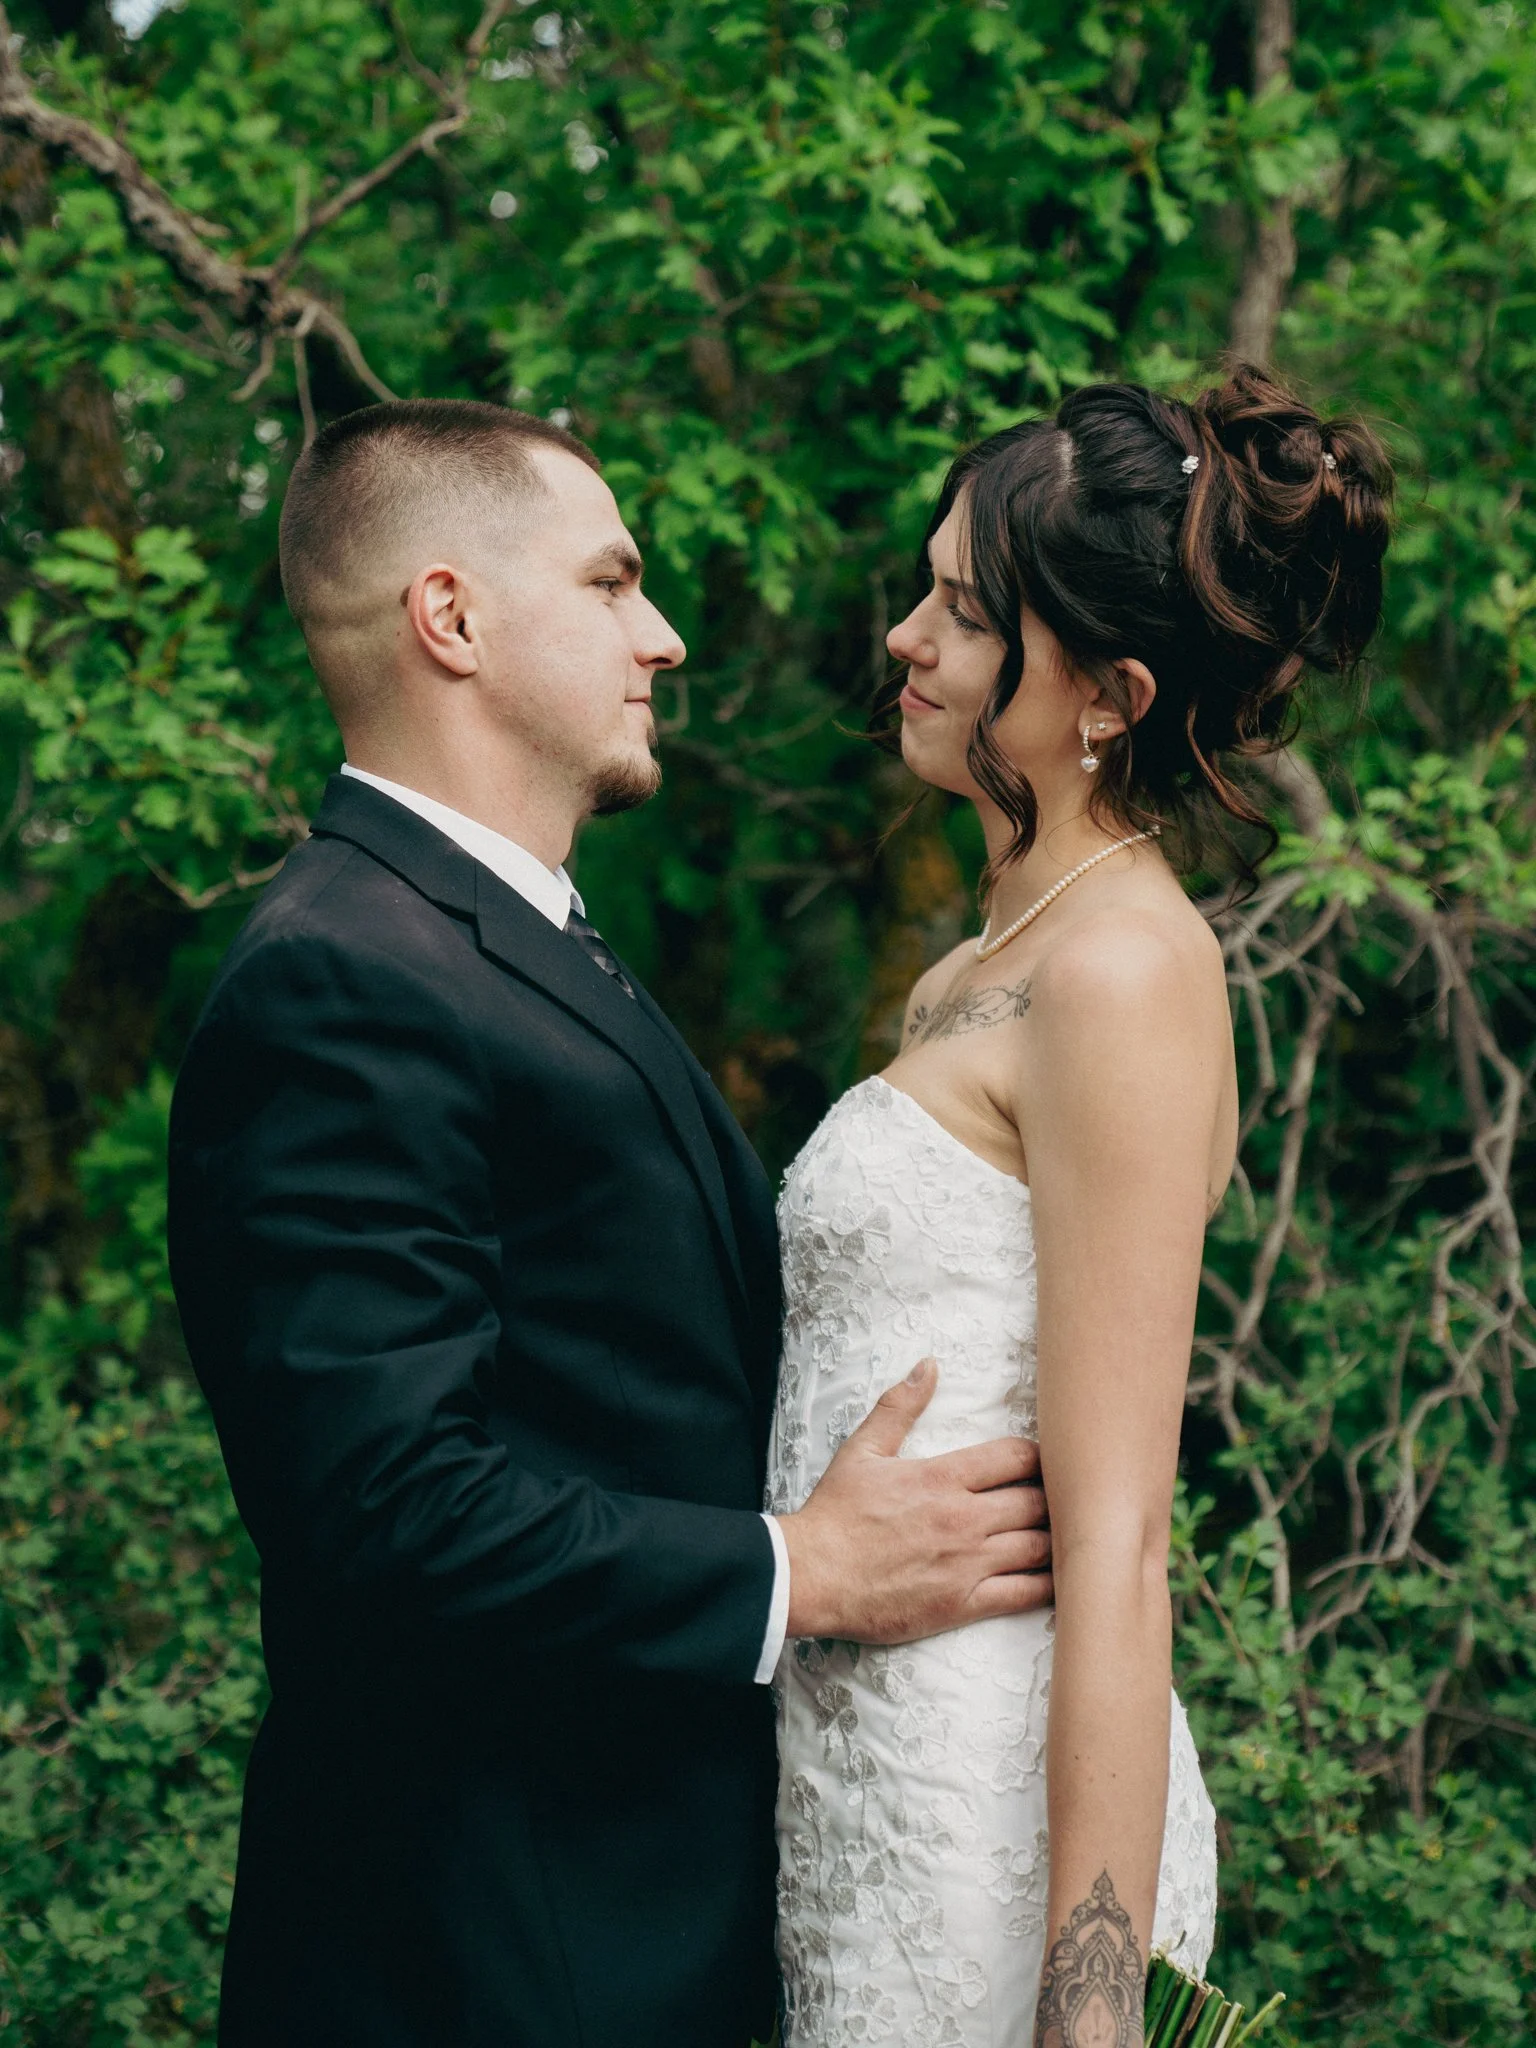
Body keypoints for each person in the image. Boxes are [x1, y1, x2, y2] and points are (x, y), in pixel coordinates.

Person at [166, 399, 1056, 2048]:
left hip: (642, 1925)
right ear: (454, 618)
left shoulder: (518, 943)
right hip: (493, 1958)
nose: (663, 637)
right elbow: (384, 1515)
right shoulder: (337, 978)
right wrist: (810, 1570)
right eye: (611, 581)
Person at [768, 366, 1392, 2047]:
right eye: (925, 589)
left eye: (966, 616)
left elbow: (1118, 1536)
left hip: (996, 1816)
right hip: (864, 1770)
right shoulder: (980, 968)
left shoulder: (1125, 972)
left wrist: (1090, 2002)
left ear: (1107, 694)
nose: (905, 636)